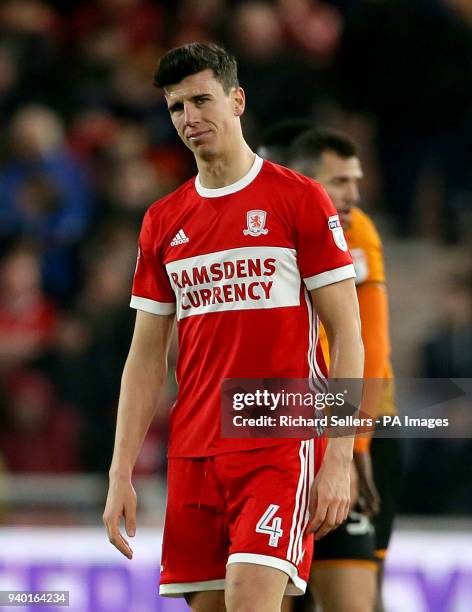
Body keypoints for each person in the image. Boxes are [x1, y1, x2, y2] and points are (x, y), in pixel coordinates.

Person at [103, 43, 364, 612]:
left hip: (276, 440)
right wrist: (120, 471)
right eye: (176, 108)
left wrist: (339, 457)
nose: (190, 118)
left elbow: (348, 333)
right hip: (193, 451)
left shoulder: (298, 199)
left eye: (201, 100)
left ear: (237, 100)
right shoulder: (163, 222)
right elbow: (145, 359)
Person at [288, 127, 401, 612]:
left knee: (358, 582)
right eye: (339, 181)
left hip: (352, 424)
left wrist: (354, 445)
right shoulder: (268, 231)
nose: (354, 194)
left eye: (355, 180)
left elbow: (369, 345)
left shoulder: (356, 233)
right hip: (285, 428)